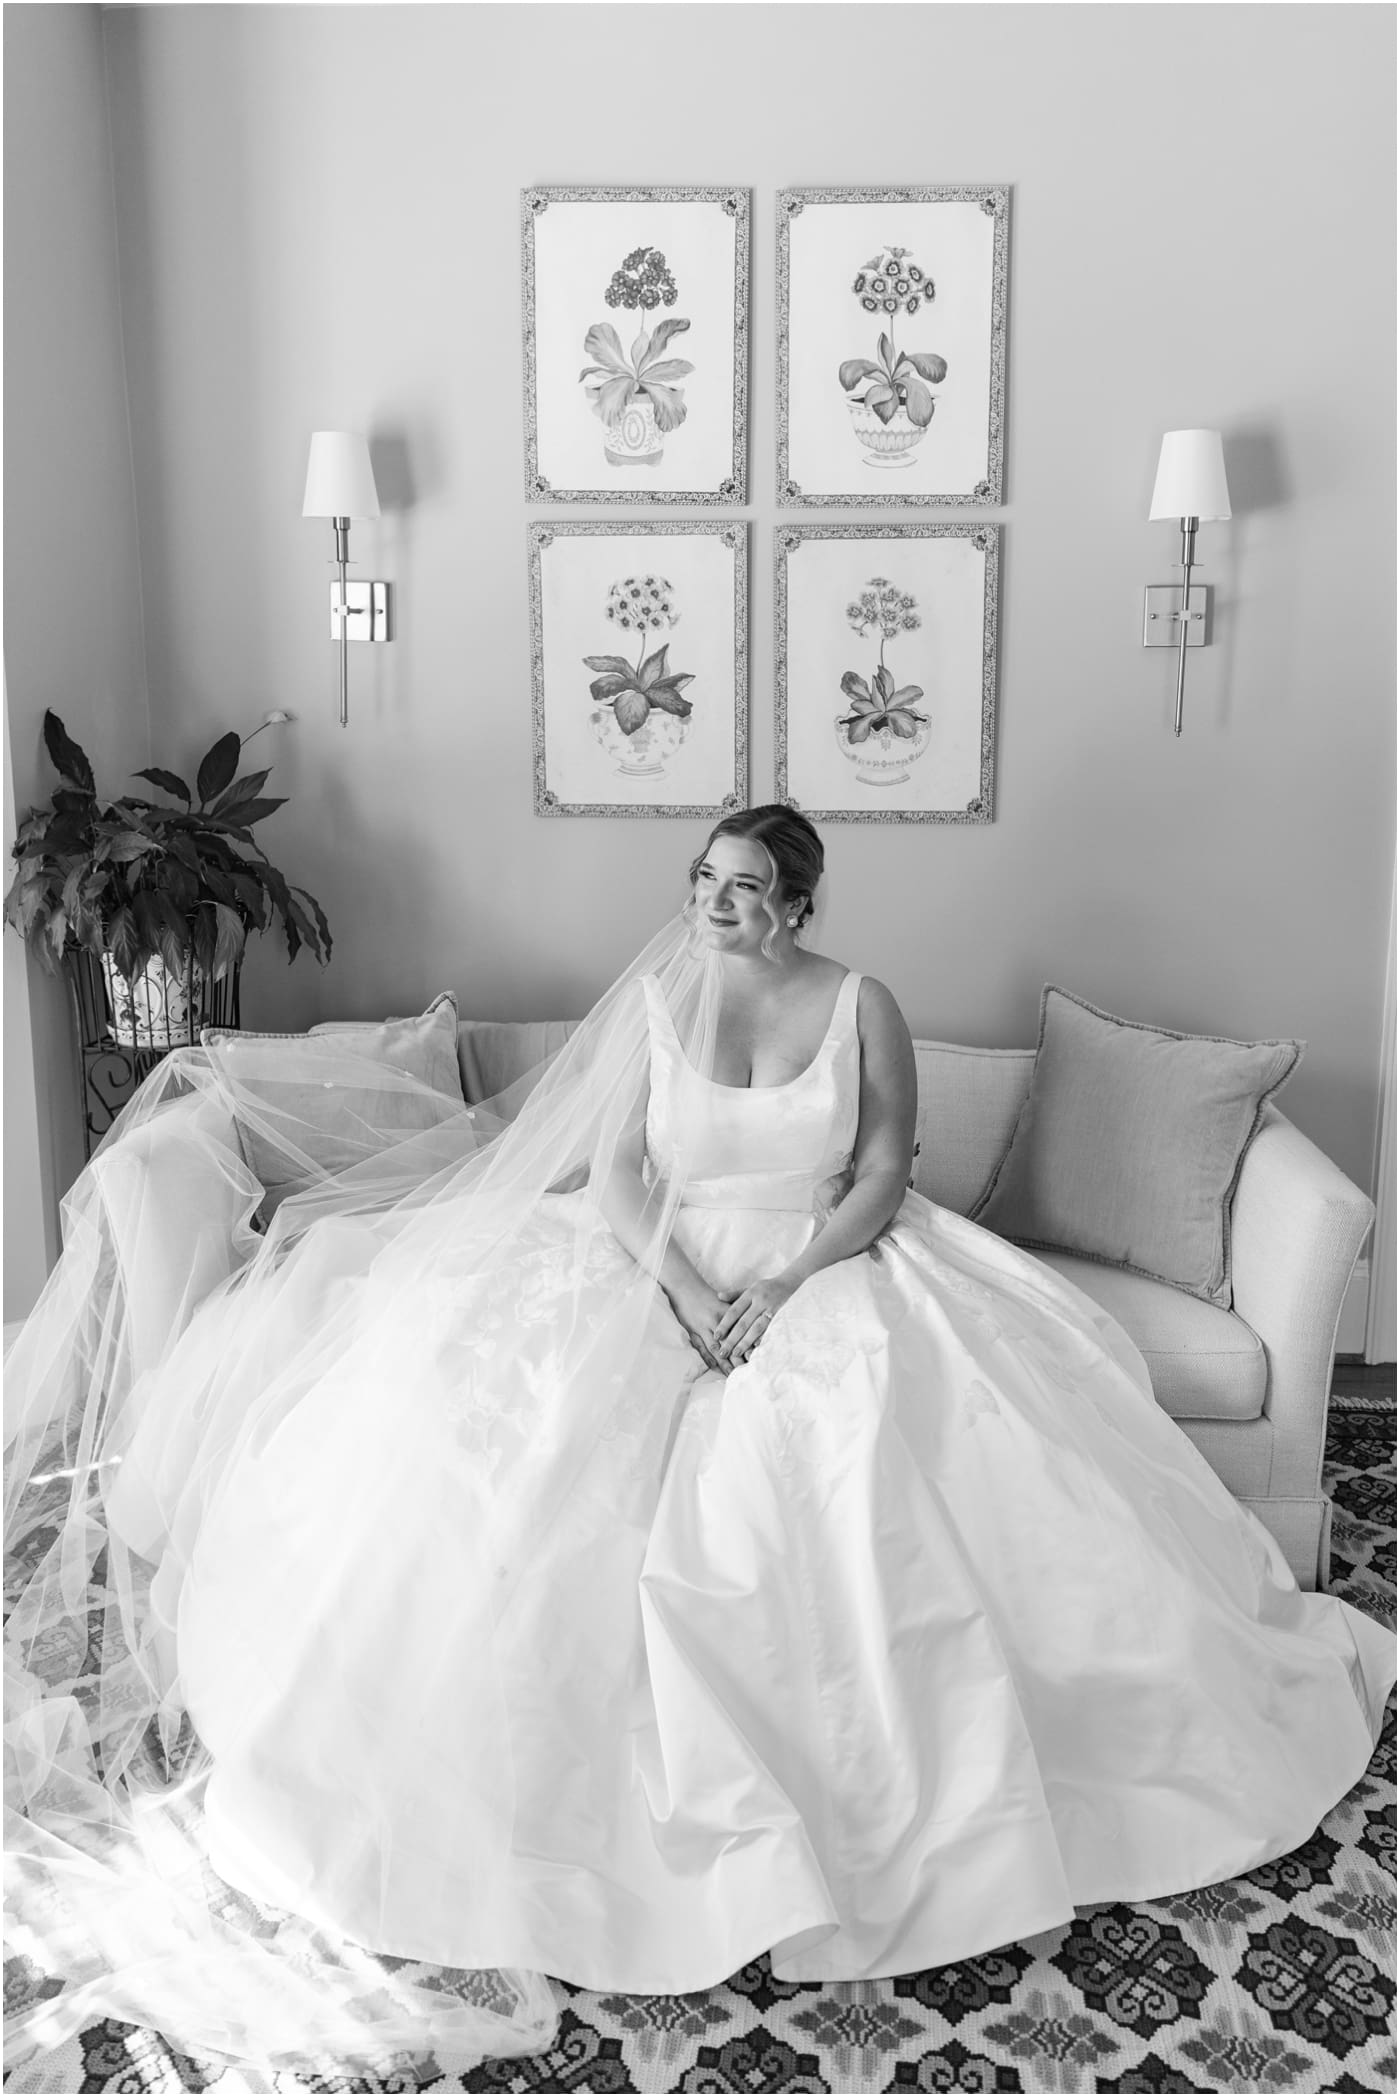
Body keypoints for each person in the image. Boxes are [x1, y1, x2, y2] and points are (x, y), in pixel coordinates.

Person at [4, 805, 1393, 2075]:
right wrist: (678, 1288)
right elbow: (619, 1170)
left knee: (854, 1457)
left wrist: (786, 1287)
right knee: (523, 1455)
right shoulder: (659, 997)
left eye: (744, 887)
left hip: (824, 1261)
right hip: (653, 1261)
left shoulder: (862, 1003)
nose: (714, 904)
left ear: (797, 903)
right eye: (705, 879)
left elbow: (883, 1170)